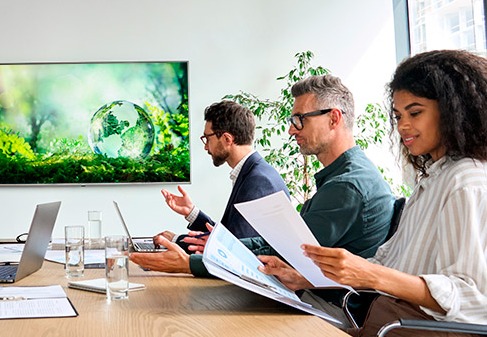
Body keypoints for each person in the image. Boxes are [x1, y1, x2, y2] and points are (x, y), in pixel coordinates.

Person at [260, 50, 487, 336]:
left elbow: (473, 298)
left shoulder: (466, 181)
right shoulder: (433, 177)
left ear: (454, 110)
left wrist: (368, 273)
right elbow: (384, 264)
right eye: (398, 115)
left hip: (408, 329)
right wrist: (305, 278)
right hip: (385, 321)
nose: (402, 125)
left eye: (415, 113)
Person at [131, 75, 394, 318]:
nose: (292, 130)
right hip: (315, 296)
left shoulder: (347, 185)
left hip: (327, 308)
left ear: (334, 119)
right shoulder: (342, 177)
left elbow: (285, 254)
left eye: (300, 119)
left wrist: (190, 264)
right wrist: (204, 248)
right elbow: (273, 244)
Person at [156, 100, 290, 250]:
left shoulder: (259, 180)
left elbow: (234, 248)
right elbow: (230, 235)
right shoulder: (253, 172)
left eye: (208, 138)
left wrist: (175, 240)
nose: (206, 146)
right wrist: (192, 212)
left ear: (227, 139)